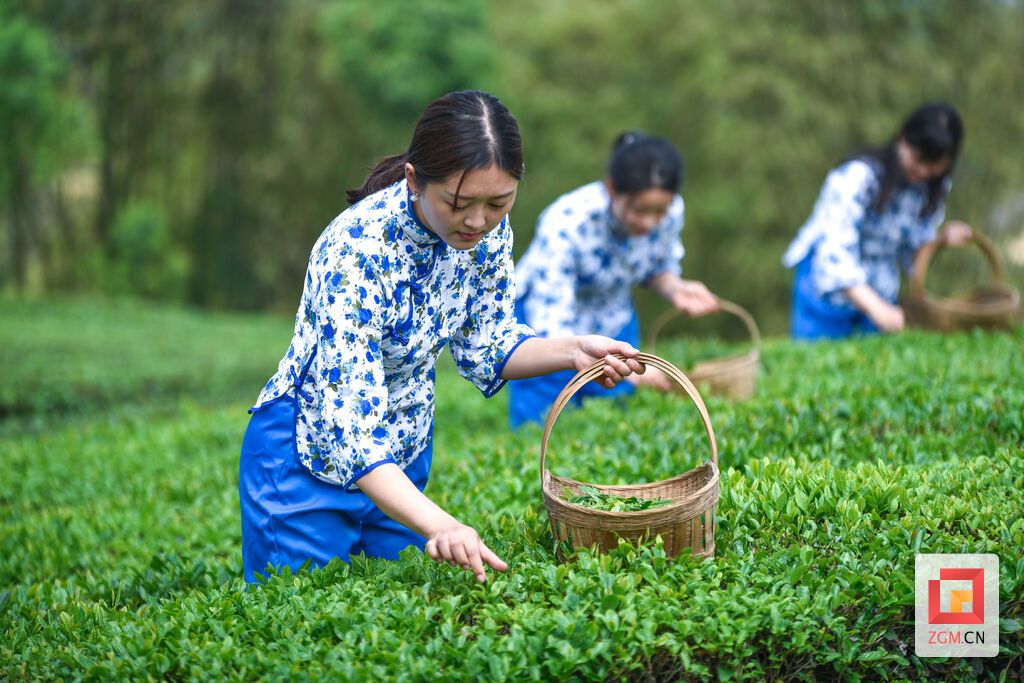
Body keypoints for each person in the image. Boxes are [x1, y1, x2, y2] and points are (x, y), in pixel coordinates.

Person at [239, 90, 646, 585]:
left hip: (404, 451)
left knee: (400, 615)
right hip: (309, 457)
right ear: (415, 179)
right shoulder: (354, 253)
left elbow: (489, 342)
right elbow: (351, 426)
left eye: (499, 202)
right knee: (303, 622)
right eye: (458, 203)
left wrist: (573, 350)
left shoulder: (487, 233)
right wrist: (444, 524)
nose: (477, 221)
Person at [508, 132, 719, 429]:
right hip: (551, 320)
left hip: (612, 314)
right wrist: (620, 368)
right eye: (640, 210)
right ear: (611, 189)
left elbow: (655, 265)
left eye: (659, 211)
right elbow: (551, 320)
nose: (650, 222)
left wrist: (675, 288)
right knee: (544, 418)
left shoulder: (671, 213)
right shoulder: (567, 223)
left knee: (612, 417)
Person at [782, 102, 974, 340]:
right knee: (818, 363)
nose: (924, 171)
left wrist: (941, 240)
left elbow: (912, 255)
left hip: (880, 289)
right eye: (919, 159)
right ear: (902, 139)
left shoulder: (932, 189)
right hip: (828, 291)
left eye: (934, 165)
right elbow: (834, 253)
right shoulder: (857, 177)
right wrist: (876, 308)